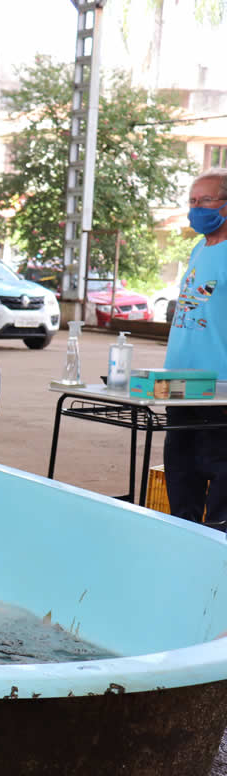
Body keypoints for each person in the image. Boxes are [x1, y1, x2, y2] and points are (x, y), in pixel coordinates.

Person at [164, 167, 227, 532]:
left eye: (206, 200)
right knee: (181, 472)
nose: (197, 208)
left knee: (220, 475)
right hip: (178, 382)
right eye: (192, 201)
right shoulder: (199, 248)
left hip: (219, 386)